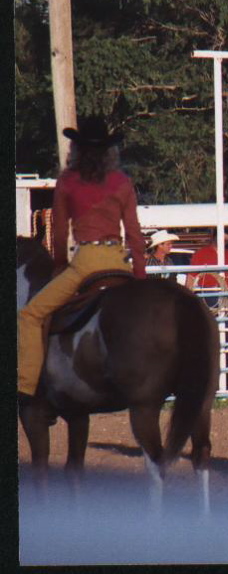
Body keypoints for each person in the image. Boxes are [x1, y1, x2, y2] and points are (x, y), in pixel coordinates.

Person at [17, 116, 146, 401]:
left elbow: (60, 232)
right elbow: (135, 235)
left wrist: (59, 265)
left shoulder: (67, 182)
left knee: (30, 315)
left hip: (85, 261)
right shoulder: (122, 182)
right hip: (117, 259)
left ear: (76, 150)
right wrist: (140, 276)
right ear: (110, 152)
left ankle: (27, 387)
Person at [186, 227, 228, 310]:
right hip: (209, 292)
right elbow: (191, 277)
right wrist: (187, 295)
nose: (224, 243)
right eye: (222, 240)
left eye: (226, 241)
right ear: (215, 237)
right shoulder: (201, 253)